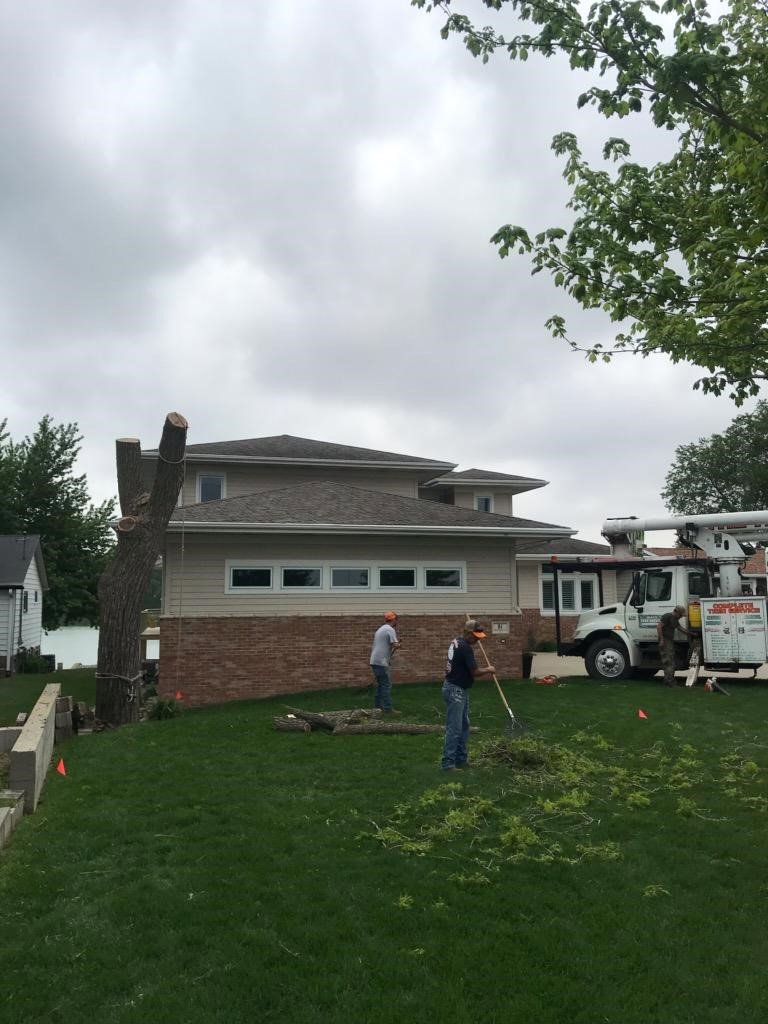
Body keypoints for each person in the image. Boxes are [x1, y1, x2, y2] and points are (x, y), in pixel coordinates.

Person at [441, 619, 496, 770]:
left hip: (457, 688)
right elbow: (475, 672)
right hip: (455, 690)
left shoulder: (456, 642)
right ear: (467, 633)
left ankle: (461, 760)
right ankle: (448, 763)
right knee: (455, 728)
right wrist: (489, 669)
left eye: (479, 636)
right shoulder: (465, 648)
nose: (478, 639)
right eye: (476, 635)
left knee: (464, 726)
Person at [370, 611, 401, 714]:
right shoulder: (390, 629)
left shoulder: (381, 629)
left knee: (381, 685)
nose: (397, 621)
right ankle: (388, 709)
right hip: (381, 661)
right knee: (386, 685)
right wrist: (399, 644)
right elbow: (395, 644)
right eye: (396, 619)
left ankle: (378, 707)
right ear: (394, 619)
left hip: (375, 660)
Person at [656, 605, 695, 687]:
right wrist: (662, 639)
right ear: (676, 612)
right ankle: (670, 682)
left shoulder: (675, 619)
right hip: (665, 641)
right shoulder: (667, 616)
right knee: (669, 662)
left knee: (670, 661)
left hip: (669, 641)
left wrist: (691, 634)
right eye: (680, 615)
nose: (681, 617)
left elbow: (681, 629)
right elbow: (659, 627)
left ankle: (667, 681)